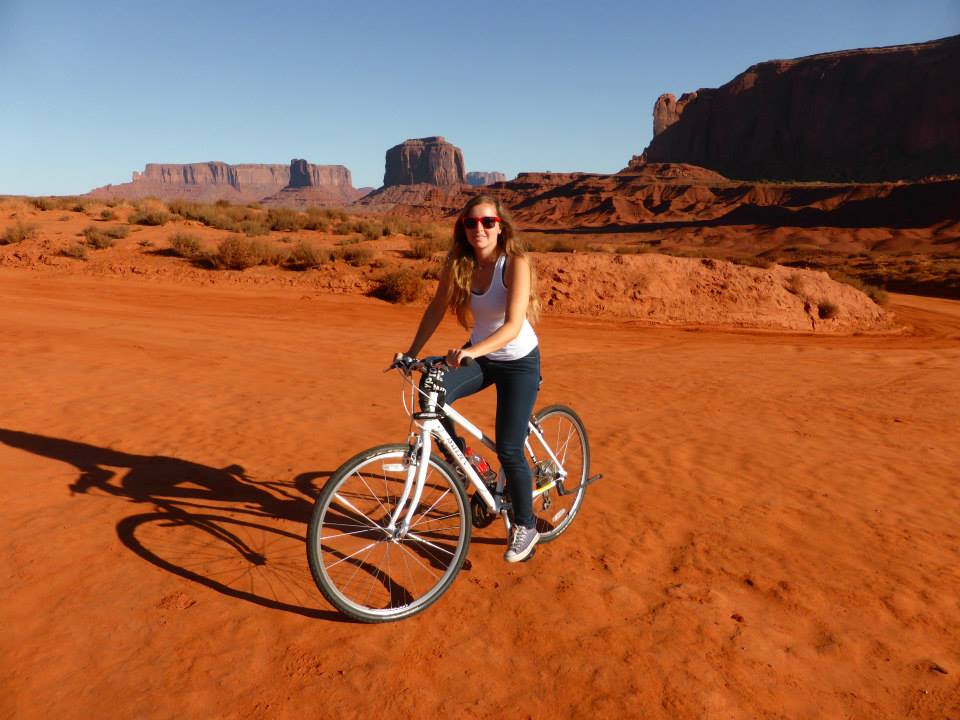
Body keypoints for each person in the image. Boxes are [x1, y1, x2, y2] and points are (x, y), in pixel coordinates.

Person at [395, 194, 542, 562]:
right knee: (431, 391)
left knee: (509, 448)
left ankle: (526, 524)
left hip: (518, 361)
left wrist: (472, 352)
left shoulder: (516, 263)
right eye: (471, 223)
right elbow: (436, 306)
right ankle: (469, 466)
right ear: (462, 228)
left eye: (487, 222)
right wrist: (412, 352)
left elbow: (511, 327)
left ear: (500, 225)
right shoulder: (459, 264)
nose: (479, 229)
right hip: (480, 355)